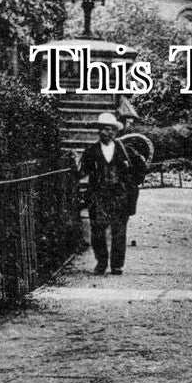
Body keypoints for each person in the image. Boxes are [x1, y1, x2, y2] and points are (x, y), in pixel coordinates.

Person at [79, 112, 136, 275]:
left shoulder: (124, 150)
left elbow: (134, 169)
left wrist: (130, 187)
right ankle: (101, 262)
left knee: (119, 230)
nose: (108, 133)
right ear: (99, 131)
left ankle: (117, 265)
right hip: (98, 195)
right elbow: (83, 171)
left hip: (119, 194)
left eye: (111, 129)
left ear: (115, 132)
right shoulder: (91, 151)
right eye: (104, 129)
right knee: (97, 230)